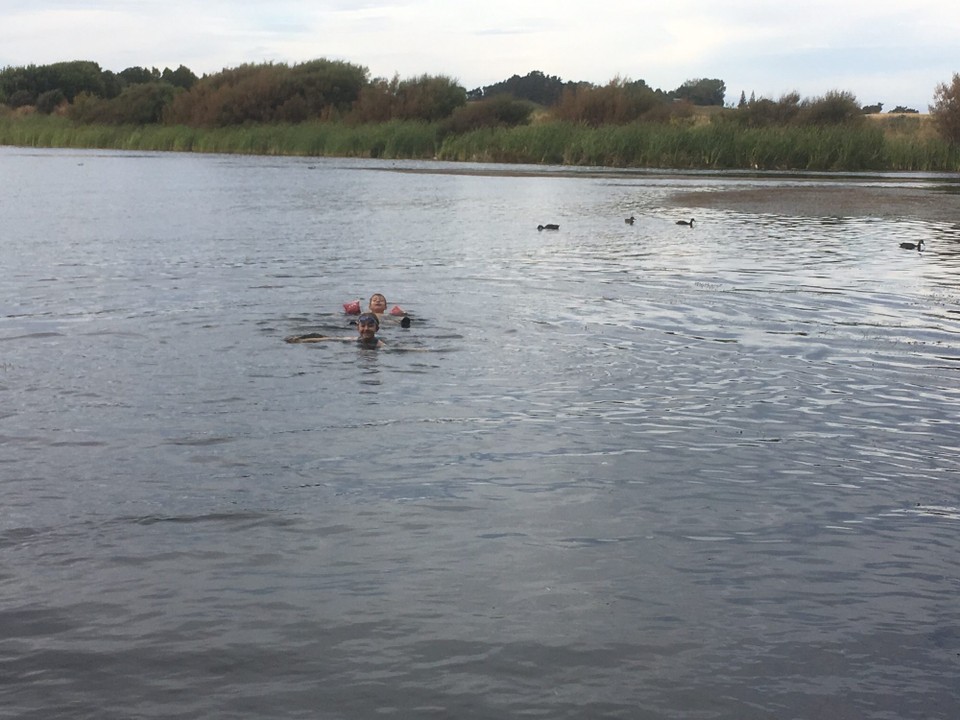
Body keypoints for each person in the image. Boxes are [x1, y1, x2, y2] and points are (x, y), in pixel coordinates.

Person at [286, 313, 384, 348]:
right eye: (363, 326)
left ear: (377, 329)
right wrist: (300, 340)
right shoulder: (354, 339)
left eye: (370, 326)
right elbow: (328, 339)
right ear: (357, 327)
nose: (366, 329)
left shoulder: (380, 346)